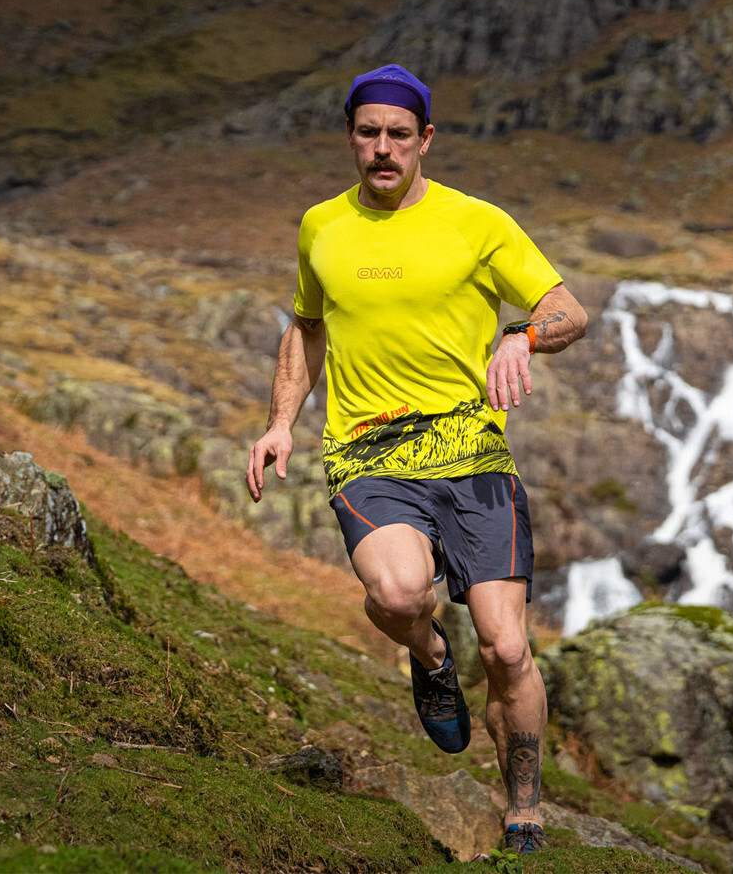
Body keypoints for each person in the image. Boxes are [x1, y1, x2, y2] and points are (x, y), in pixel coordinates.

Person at [246, 63, 587, 856]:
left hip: (473, 455)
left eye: (399, 134)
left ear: (425, 139)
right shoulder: (321, 227)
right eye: (368, 133)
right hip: (369, 454)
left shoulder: (478, 223)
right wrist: (279, 424)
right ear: (350, 137)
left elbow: (567, 310)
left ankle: (525, 813)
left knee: (507, 647)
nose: (383, 149)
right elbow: (307, 327)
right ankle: (431, 656)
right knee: (399, 594)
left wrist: (522, 335)